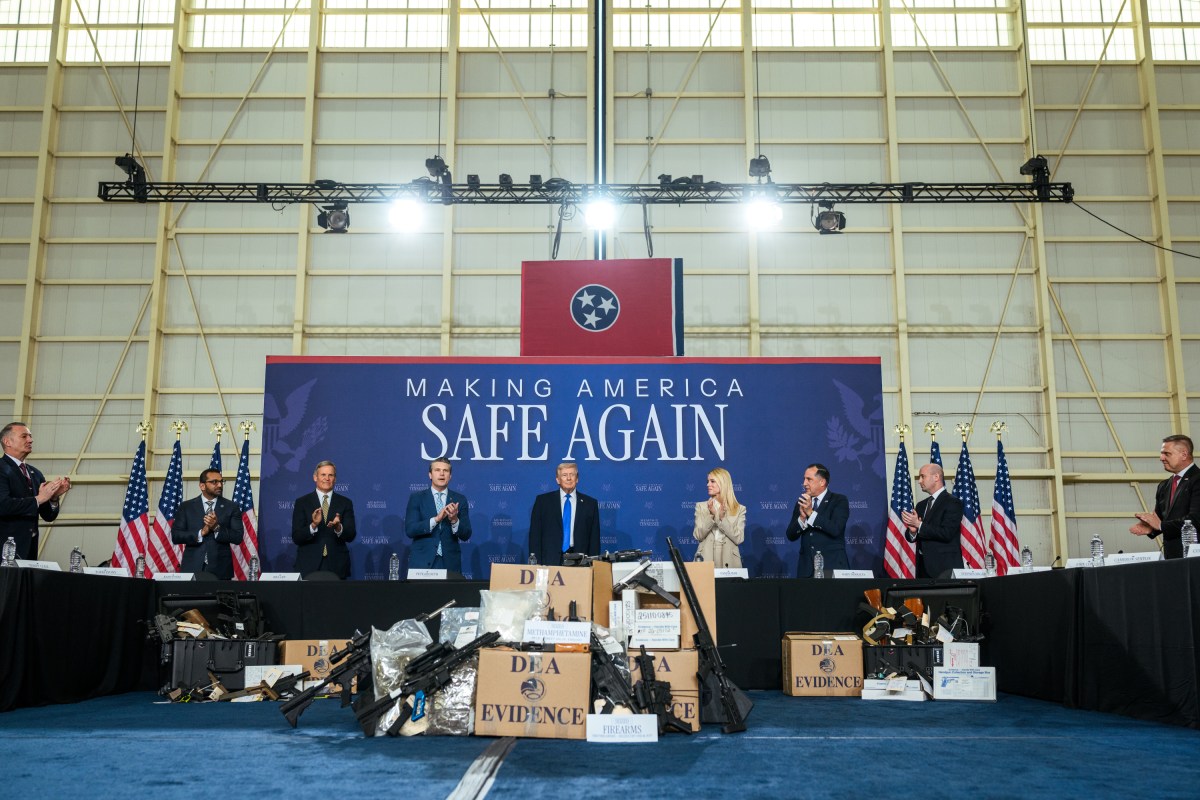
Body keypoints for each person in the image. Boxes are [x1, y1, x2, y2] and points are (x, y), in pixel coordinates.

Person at [0, 422, 71, 560]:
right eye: (24, 436)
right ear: (7, 441)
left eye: (30, 436)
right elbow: (3, 505)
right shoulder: (1, 469)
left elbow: (48, 516)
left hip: (29, 551)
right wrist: (39, 499)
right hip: (5, 550)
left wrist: (53, 498)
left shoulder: (35, 473)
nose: (30, 440)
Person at [1130, 434, 1200, 559]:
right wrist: (1151, 528)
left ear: (1184, 454)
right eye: (1162, 453)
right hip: (1172, 558)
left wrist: (1161, 526)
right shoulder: (1164, 485)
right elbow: (1161, 519)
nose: (1161, 458)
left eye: (1167, 453)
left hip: (1194, 559)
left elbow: (1195, 519)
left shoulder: (1198, 479)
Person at [172, 468, 244, 579]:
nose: (219, 485)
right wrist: (201, 533)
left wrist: (216, 527)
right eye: (214, 482)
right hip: (192, 568)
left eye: (221, 481)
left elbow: (238, 537)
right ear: (202, 486)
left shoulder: (231, 507)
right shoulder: (186, 507)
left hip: (220, 570)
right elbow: (176, 536)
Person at [405, 457, 472, 573]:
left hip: (450, 563)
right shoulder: (417, 498)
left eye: (445, 471)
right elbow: (410, 530)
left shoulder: (459, 499)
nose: (442, 473)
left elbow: (466, 534)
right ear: (430, 475)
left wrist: (454, 520)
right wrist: (436, 519)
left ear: (450, 476)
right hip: (422, 562)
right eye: (437, 470)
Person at [292, 460, 357, 578]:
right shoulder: (302, 502)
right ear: (315, 477)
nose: (327, 478)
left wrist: (339, 528)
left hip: (337, 564)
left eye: (330, 475)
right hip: (309, 564)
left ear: (335, 479)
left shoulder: (345, 503)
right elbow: (296, 537)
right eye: (323, 475)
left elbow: (351, 535)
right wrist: (313, 525)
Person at [528, 461, 601, 566]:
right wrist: (536, 563)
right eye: (564, 475)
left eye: (572, 475)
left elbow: (594, 540)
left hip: (580, 562)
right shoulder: (543, 501)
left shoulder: (590, 504)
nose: (568, 478)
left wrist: (593, 565)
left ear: (577, 479)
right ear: (557, 480)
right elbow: (535, 535)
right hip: (549, 560)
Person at [784, 463, 850, 578]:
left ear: (822, 482)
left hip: (832, 568)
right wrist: (802, 519)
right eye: (804, 479)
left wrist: (811, 513)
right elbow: (790, 535)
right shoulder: (802, 502)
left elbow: (835, 529)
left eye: (809, 479)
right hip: (806, 571)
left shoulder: (839, 500)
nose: (804, 483)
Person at [900, 462, 964, 578]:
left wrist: (919, 525)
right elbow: (911, 536)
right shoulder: (921, 505)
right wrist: (913, 532)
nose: (919, 481)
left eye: (922, 476)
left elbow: (946, 533)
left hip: (945, 570)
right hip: (923, 570)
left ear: (936, 477)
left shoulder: (953, 502)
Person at [692, 467, 745, 567]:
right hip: (706, 558)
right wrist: (711, 516)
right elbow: (698, 535)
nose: (708, 485)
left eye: (712, 481)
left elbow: (738, 538)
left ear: (723, 483)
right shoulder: (701, 507)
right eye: (708, 481)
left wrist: (722, 519)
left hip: (730, 560)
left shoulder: (739, 509)